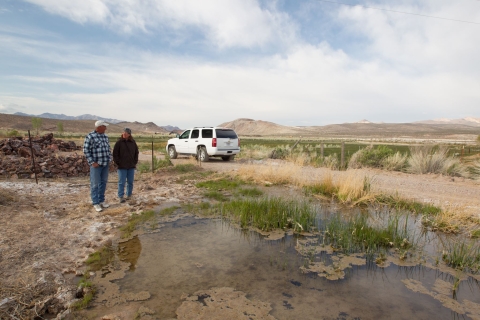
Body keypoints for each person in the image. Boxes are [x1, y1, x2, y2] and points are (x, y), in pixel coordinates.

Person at [83, 120, 112, 212]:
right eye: (104, 126)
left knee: (103, 183)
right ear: (99, 127)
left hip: (105, 163)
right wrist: (92, 162)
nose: (106, 128)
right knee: (95, 184)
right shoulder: (90, 136)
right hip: (96, 165)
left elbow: (108, 149)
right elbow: (86, 150)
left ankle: (101, 200)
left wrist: (110, 159)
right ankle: (95, 203)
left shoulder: (105, 137)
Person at [113, 127, 139, 203]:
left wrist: (135, 161)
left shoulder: (133, 142)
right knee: (122, 182)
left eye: (126, 133)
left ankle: (129, 195)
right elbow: (115, 154)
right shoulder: (119, 142)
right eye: (123, 132)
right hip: (122, 166)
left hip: (131, 165)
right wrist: (117, 162)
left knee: (130, 182)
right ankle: (121, 196)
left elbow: (136, 152)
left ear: (129, 134)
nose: (124, 134)